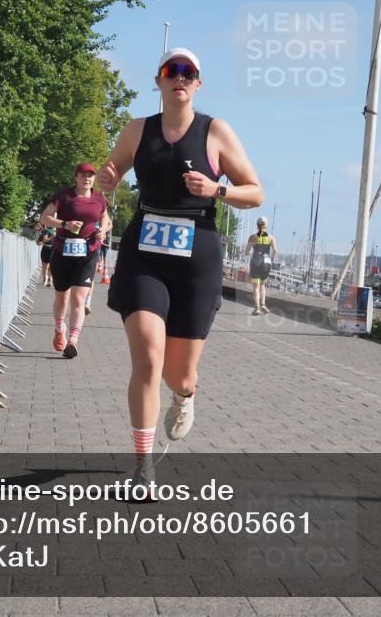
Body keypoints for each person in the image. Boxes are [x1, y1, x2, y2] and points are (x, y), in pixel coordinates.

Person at [98, 47, 262, 495]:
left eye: (189, 73)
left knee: (179, 375)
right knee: (148, 356)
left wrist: (218, 190)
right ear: (159, 80)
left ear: (198, 83)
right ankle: (143, 465)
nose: (180, 79)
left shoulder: (216, 132)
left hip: (197, 255)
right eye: (173, 71)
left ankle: (185, 397)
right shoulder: (138, 130)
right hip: (145, 251)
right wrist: (108, 180)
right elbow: (110, 171)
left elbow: (256, 191)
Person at [38, 163, 110, 358]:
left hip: (88, 252)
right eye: (83, 175)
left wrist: (102, 231)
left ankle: (72, 341)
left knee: (79, 299)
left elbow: (106, 219)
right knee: (62, 297)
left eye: (90, 175)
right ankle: (59, 328)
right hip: (63, 250)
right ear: (76, 177)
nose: (87, 178)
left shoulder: (99, 198)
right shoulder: (64, 196)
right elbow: (45, 217)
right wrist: (65, 224)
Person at [243, 216, 277, 315]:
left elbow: (246, 252)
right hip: (267, 262)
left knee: (256, 286)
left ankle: (257, 307)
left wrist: (250, 254)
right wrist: (272, 258)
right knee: (263, 285)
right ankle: (263, 304)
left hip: (256, 261)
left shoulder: (253, 237)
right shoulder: (271, 237)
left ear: (257, 225)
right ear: (266, 225)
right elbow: (275, 250)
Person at [85, 216, 112, 315]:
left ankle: (87, 302)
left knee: (90, 277)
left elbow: (110, 224)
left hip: (94, 246)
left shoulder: (101, 208)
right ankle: (77, 302)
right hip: (78, 246)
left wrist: (103, 230)